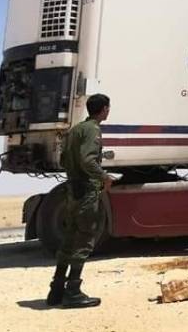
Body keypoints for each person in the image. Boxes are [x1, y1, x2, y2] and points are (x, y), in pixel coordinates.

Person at [46, 93, 113, 308]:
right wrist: (104, 177)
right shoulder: (92, 129)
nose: (108, 111)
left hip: (73, 190)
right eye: (108, 108)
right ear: (103, 109)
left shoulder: (75, 130)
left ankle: (56, 289)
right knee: (84, 239)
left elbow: (64, 160)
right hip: (86, 191)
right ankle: (73, 292)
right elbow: (87, 160)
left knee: (69, 239)